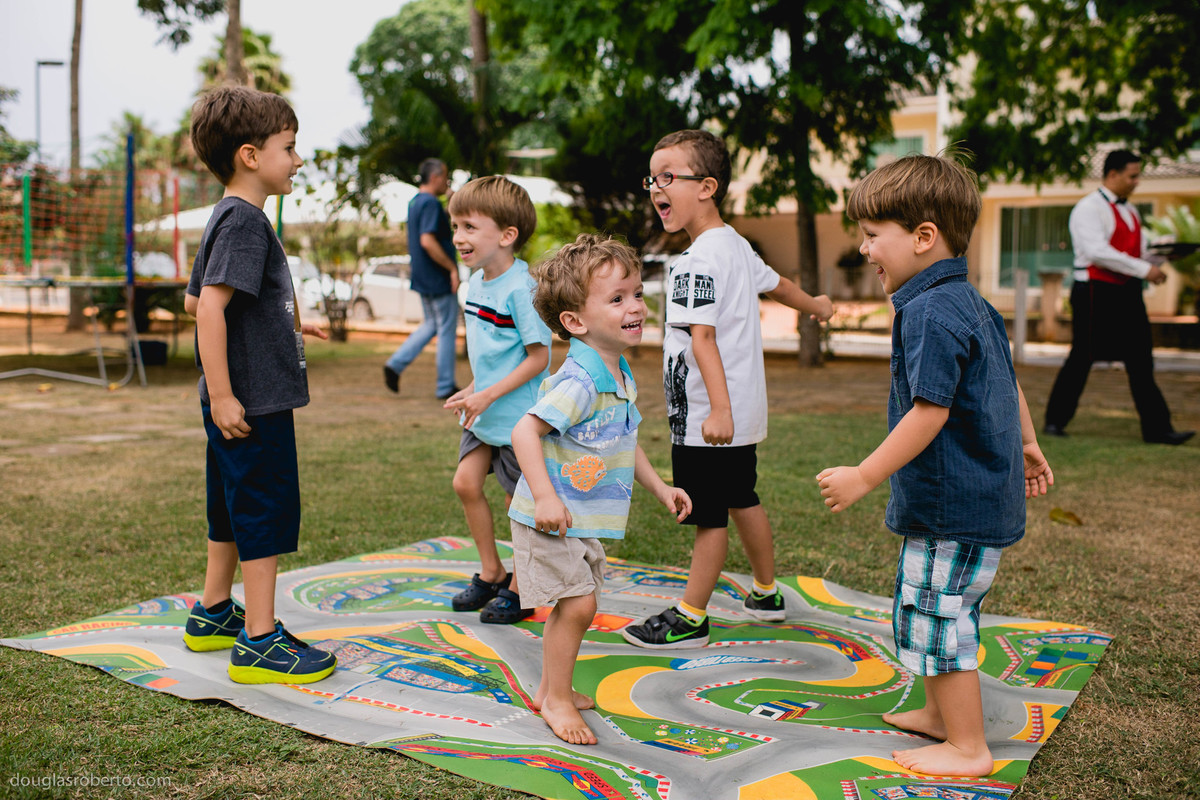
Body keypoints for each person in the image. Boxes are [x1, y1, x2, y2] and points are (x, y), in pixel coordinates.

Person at [816, 152, 1054, 777]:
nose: (865, 250)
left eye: (872, 237)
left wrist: (864, 475)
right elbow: (1008, 385)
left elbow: (929, 412)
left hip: (957, 503)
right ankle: (937, 714)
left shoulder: (927, 311)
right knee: (927, 602)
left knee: (939, 615)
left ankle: (967, 747)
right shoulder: (968, 301)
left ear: (923, 237)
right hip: (971, 496)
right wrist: (1027, 443)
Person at [621, 129, 834, 650]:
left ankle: (692, 617)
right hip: (740, 414)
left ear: (707, 186)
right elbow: (776, 284)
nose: (656, 187)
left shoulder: (694, 263)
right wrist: (815, 306)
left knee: (709, 515)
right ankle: (765, 593)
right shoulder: (735, 246)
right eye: (653, 177)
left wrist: (716, 409)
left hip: (708, 420)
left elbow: (704, 339)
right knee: (743, 497)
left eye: (669, 176)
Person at [508, 233, 692, 745]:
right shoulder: (580, 383)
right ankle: (558, 700)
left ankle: (551, 687)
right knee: (579, 606)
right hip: (550, 516)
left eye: (636, 293)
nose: (635, 306)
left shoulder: (619, 371)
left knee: (577, 602)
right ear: (575, 322)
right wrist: (545, 496)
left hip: (580, 515)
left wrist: (660, 487)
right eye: (617, 299)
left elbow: (621, 440)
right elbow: (525, 430)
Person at [180, 85, 336, 684]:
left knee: (230, 504)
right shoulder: (246, 222)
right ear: (251, 155)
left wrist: (291, 321)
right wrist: (224, 394)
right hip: (250, 403)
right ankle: (261, 641)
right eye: (289, 148)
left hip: (234, 399)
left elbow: (198, 297)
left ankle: (215, 611)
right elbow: (211, 311)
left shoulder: (225, 215)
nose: (297, 160)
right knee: (262, 511)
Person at [441, 175, 552, 624]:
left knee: (517, 505)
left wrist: (486, 393)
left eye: (469, 226)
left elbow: (539, 358)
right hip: (484, 410)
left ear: (507, 236)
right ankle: (492, 572)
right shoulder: (474, 285)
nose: (458, 237)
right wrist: (472, 389)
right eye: (455, 226)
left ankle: (523, 587)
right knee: (465, 483)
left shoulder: (521, 289)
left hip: (516, 420)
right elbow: (493, 354)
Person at [1043, 149, 1194, 445]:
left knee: (1141, 360)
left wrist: (1161, 258)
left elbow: (1135, 254)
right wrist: (1143, 269)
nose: (1137, 182)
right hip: (1094, 293)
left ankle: (1158, 429)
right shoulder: (1087, 209)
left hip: (1127, 293)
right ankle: (1054, 420)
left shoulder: (1131, 211)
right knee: (1082, 357)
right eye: (1132, 176)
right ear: (1112, 174)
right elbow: (1098, 252)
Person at [383, 158, 462, 400]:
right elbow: (428, 240)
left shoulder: (416, 202)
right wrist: (452, 269)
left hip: (423, 276)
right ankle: (445, 385)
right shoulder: (429, 203)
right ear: (436, 177)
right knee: (447, 328)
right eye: (446, 176)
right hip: (438, 276)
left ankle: (395, 364)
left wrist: (451, 202)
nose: (447, 181)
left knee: (431, 325)